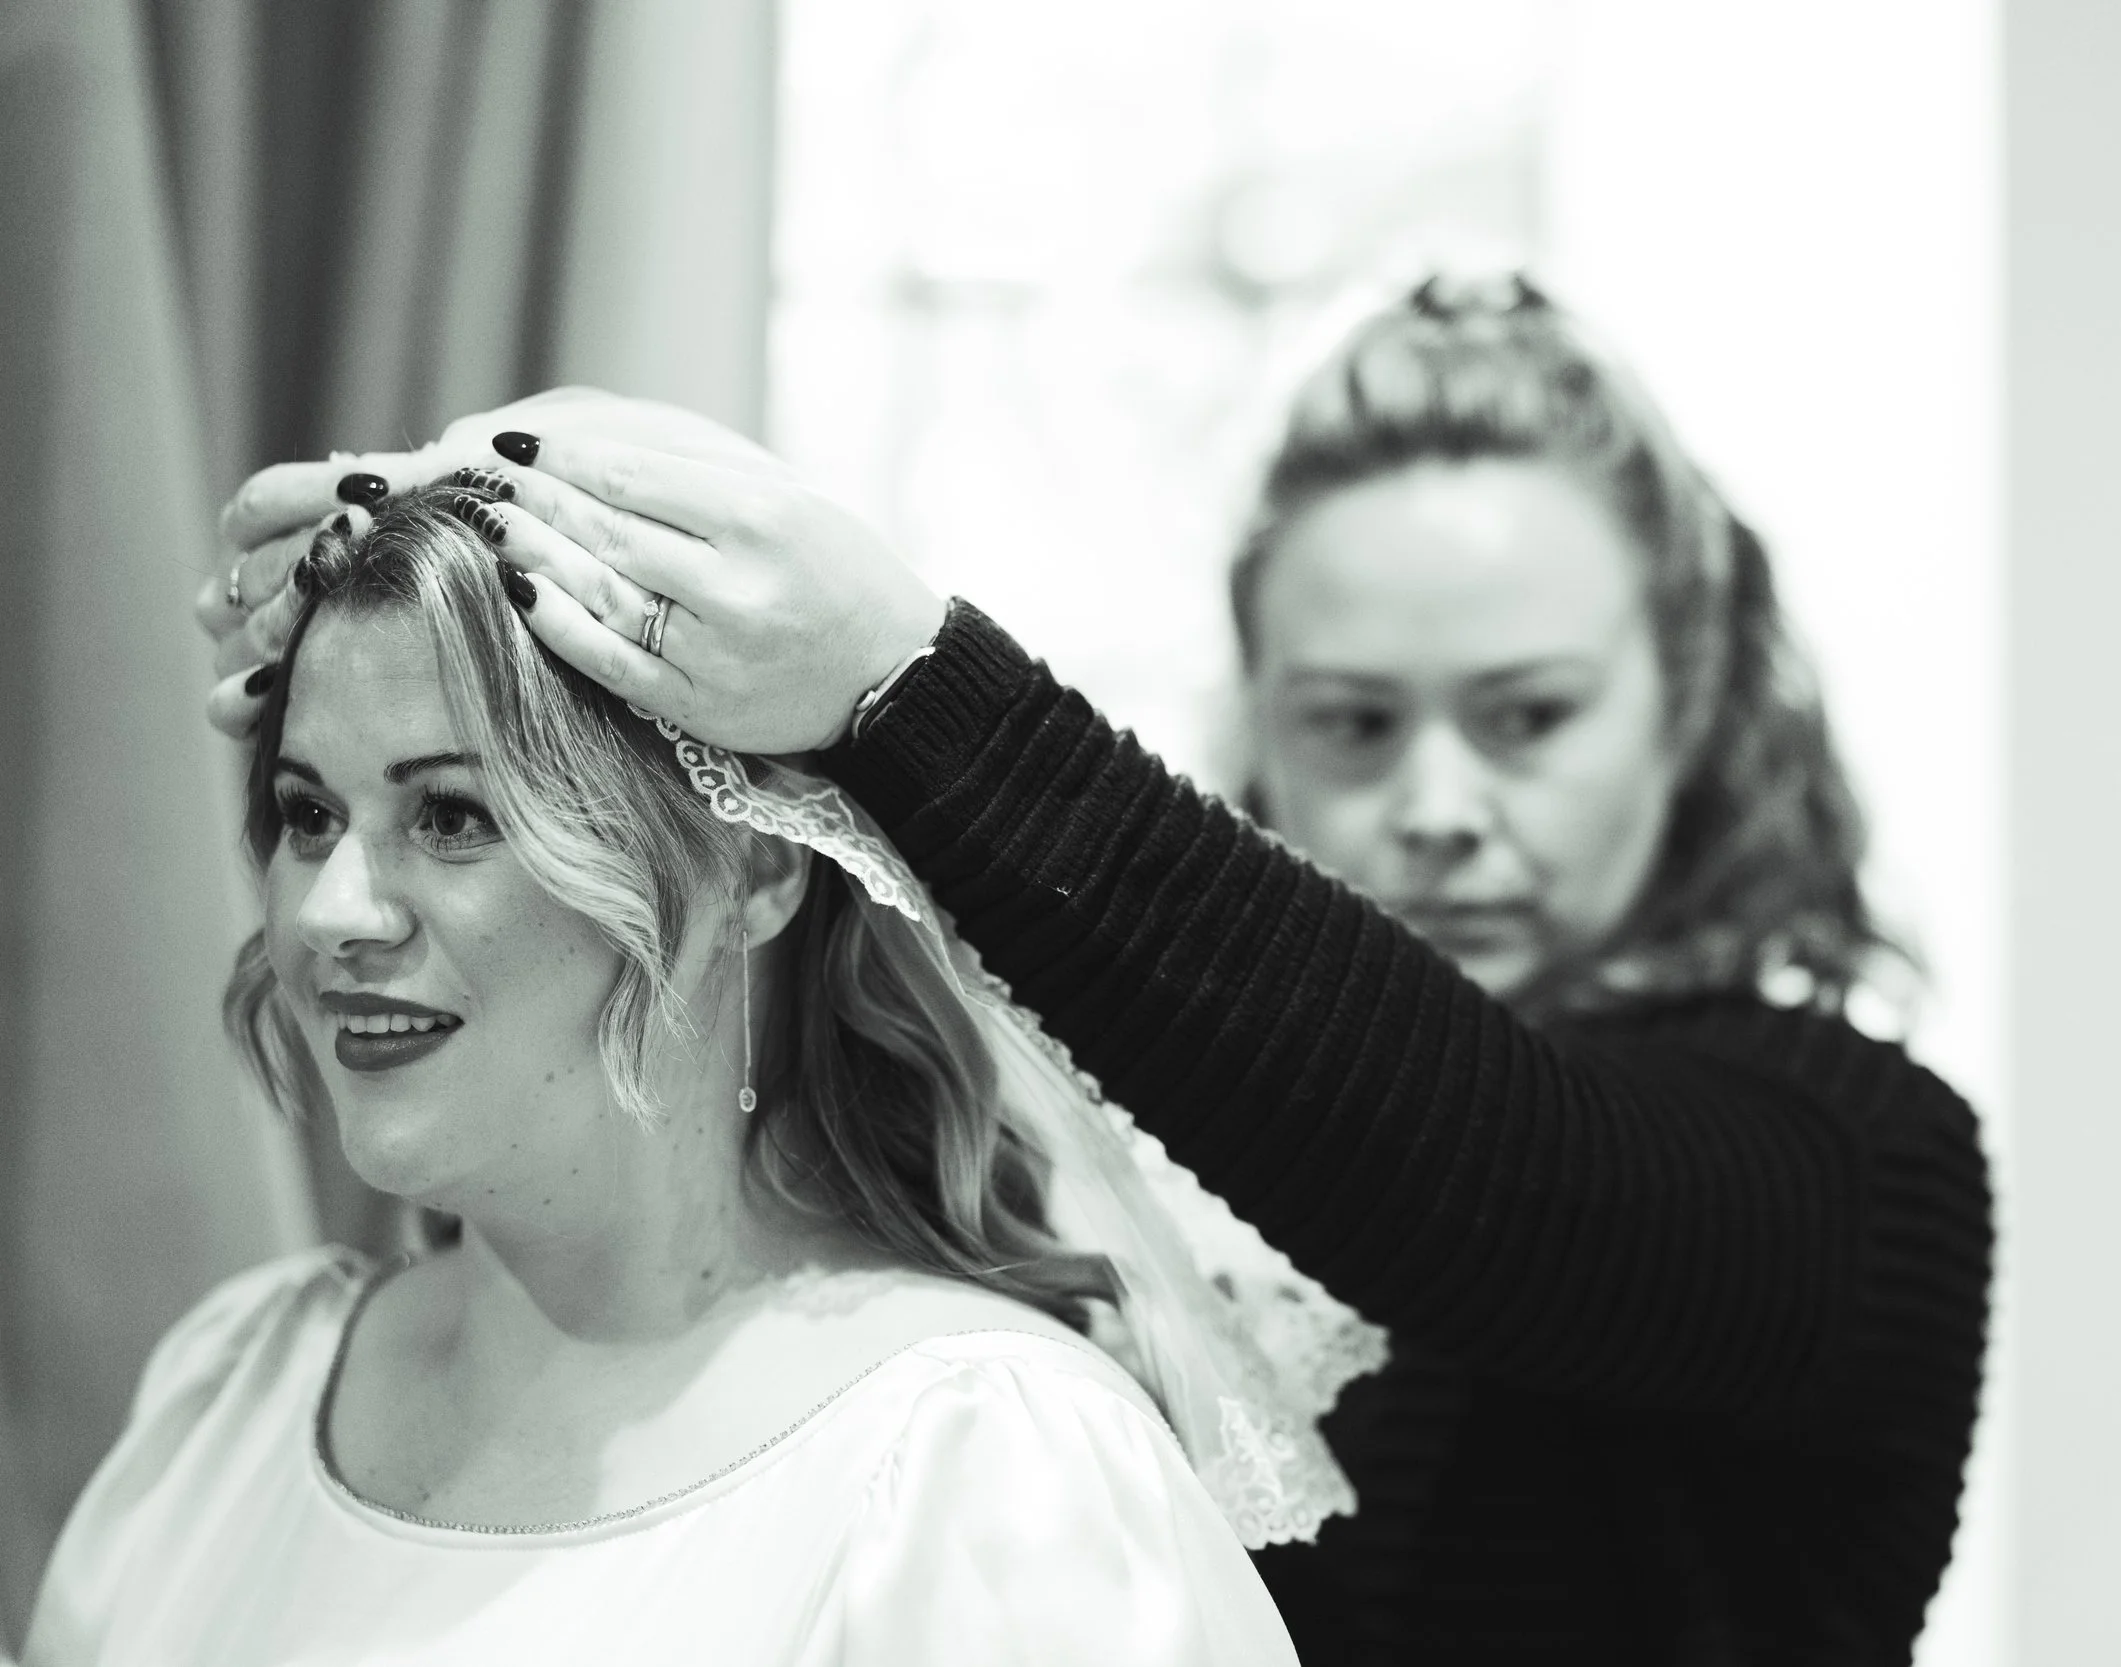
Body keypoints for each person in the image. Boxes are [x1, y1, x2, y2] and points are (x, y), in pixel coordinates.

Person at [203, 275, 1994, 1664]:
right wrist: (484, 556)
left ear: (1689, 702)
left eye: (1528, 718)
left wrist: (901, 680)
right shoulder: (1127, 1196)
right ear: (1260, 722)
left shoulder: (1862, 1170)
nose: (1440, 807)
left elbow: (1508, 1177)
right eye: (1353, 722)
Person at [32, 476, 1312, 1665]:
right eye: (311, 815)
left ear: (755, 868)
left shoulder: (982, 1479)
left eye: (454, 815)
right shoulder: (236, 1394)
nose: (331, 913)